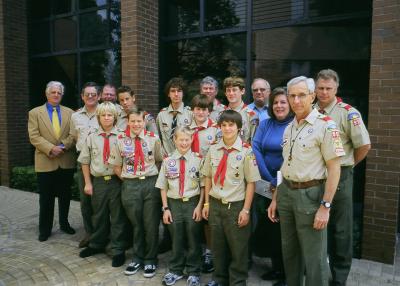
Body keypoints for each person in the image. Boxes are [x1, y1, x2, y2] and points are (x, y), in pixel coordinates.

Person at [268, 76, 345, 286]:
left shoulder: (326, 126)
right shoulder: (290, 127)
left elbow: (334, 168)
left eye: (302, 95)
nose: (296, 100)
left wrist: (326, 206)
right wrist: (276, 198)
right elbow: (285, 166)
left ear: (312, 96)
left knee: (315, 259)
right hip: (286, 195)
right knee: (290, 253)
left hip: (310, 197)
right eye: (292, 95)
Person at [314, 69, 371, 286]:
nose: (324, 92)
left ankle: (338, 279)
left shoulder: (348, 113)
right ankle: (317, 273)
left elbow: (364, 146)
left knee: (340, 230)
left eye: (328, 88)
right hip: (315, 175)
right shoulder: (310, 111)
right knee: (317, 226)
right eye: (320, 88)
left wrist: (347, 166)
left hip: (341, 177)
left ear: (336, 89)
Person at [201, 110, 261, 286]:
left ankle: (237, 281)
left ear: (239, 128)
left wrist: (246, 209)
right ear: (219, 127)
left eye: (231, 125)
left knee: (238, 248)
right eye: (224, 125)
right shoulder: (213, 149)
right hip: (215, 204)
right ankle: (219, 279)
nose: (227, 128)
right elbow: (207, 177)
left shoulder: (246, 152)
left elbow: (251, 183)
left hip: (235, 207)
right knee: (218, 247)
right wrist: (206, 203)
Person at [109, 108, 163, 278]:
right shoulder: (120, 140)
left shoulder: (153, 139)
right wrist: (129, 179)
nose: (136, 124)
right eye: (132, 121)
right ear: (128, 122)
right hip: (130, 185)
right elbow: (116, 166)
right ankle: (138, 257)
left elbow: (159, 160)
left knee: (151, 223)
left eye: (139, 121)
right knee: (136, 224)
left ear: (144, 121)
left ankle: (151, 259)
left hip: (150, 184)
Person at [77, 102, 127, 267]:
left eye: (110, 115)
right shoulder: (91, 137)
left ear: (115, 117)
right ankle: (96, 244)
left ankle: (117, 248)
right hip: (98, 181)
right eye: (103, 115)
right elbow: (85, 161)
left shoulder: (122, 136)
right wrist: (87, 183)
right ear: (98, 117)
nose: (107, 118)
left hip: (116, 181)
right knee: (98, 214)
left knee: (117, 216)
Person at [252, 87, 293, 286]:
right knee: (271, 227)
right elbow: (256, 148)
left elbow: (292, 156)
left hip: (287, 184)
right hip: (266, 184)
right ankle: (277, 268)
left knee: (285, 230)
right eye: (276, 102)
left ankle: (288, 274)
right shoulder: (265, 124)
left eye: (283, 102)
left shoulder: (295, 125)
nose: (279, 106)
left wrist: (279, 180)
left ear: (290, 104)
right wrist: (269, 179)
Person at [28, 81, 76, 242]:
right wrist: (50, 148)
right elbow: (34, 136)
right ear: (47, 94)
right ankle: (45, 229)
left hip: (65, 160)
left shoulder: (70, 112)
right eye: (53, 92)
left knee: (65, 196)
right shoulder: (35, 113)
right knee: (46, 198)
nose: (56, 95)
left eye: (59, 92)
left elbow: (73, 134)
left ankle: (64, 223)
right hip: (45, 161)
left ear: (62, 95)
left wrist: (63, 146)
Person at [156, 126, 204, 286]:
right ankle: (175, 269)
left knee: (193, 238)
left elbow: (203, 186)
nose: (184, 142)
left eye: (187, 139)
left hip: (192, 203)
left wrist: (199, 206)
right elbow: (163, 186)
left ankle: (194, 271)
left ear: (191, 140)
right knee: (176, 238)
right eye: (180, 139)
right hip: (173, 204)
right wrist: (165, 208)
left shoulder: (199, 159)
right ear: (174, 140)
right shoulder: (168, 160)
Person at [189, 94, 220, 273]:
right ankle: (194, 251)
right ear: (193, 110)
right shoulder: (185, 129)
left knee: (207, 219)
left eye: (204, 109)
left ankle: (209, 252)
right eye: (198, 109)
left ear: (209, 111)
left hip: (209, 180)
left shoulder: (216, 130)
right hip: (189, 181)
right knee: (193, 218)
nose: (201, 112)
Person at [70, 82, 100, 248]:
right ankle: (89, 233)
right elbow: (75, 137)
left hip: (100, 163)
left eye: (93, 94)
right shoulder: (75, 116)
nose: (90, 97)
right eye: (87, 94)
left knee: (101, 200)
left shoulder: (104, 113)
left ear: (99, 96)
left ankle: (102, 234)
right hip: (83, 163)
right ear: (82, 96)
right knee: (85, 201)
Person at [156, 77, 192, 154]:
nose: (176, 94)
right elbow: (157, 138)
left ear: (183, 93)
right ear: (168, 94)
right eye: (173, 91)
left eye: (179, 91)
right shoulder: (161, 115)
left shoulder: (190, 114)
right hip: (167, 158)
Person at [223, 76, 258, 143]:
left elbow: (255, 143)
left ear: (242, 91)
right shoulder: (220, 115)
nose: (231, 93)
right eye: (228, 90)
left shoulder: (251, 116)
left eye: (234, 90)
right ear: (225, 94)